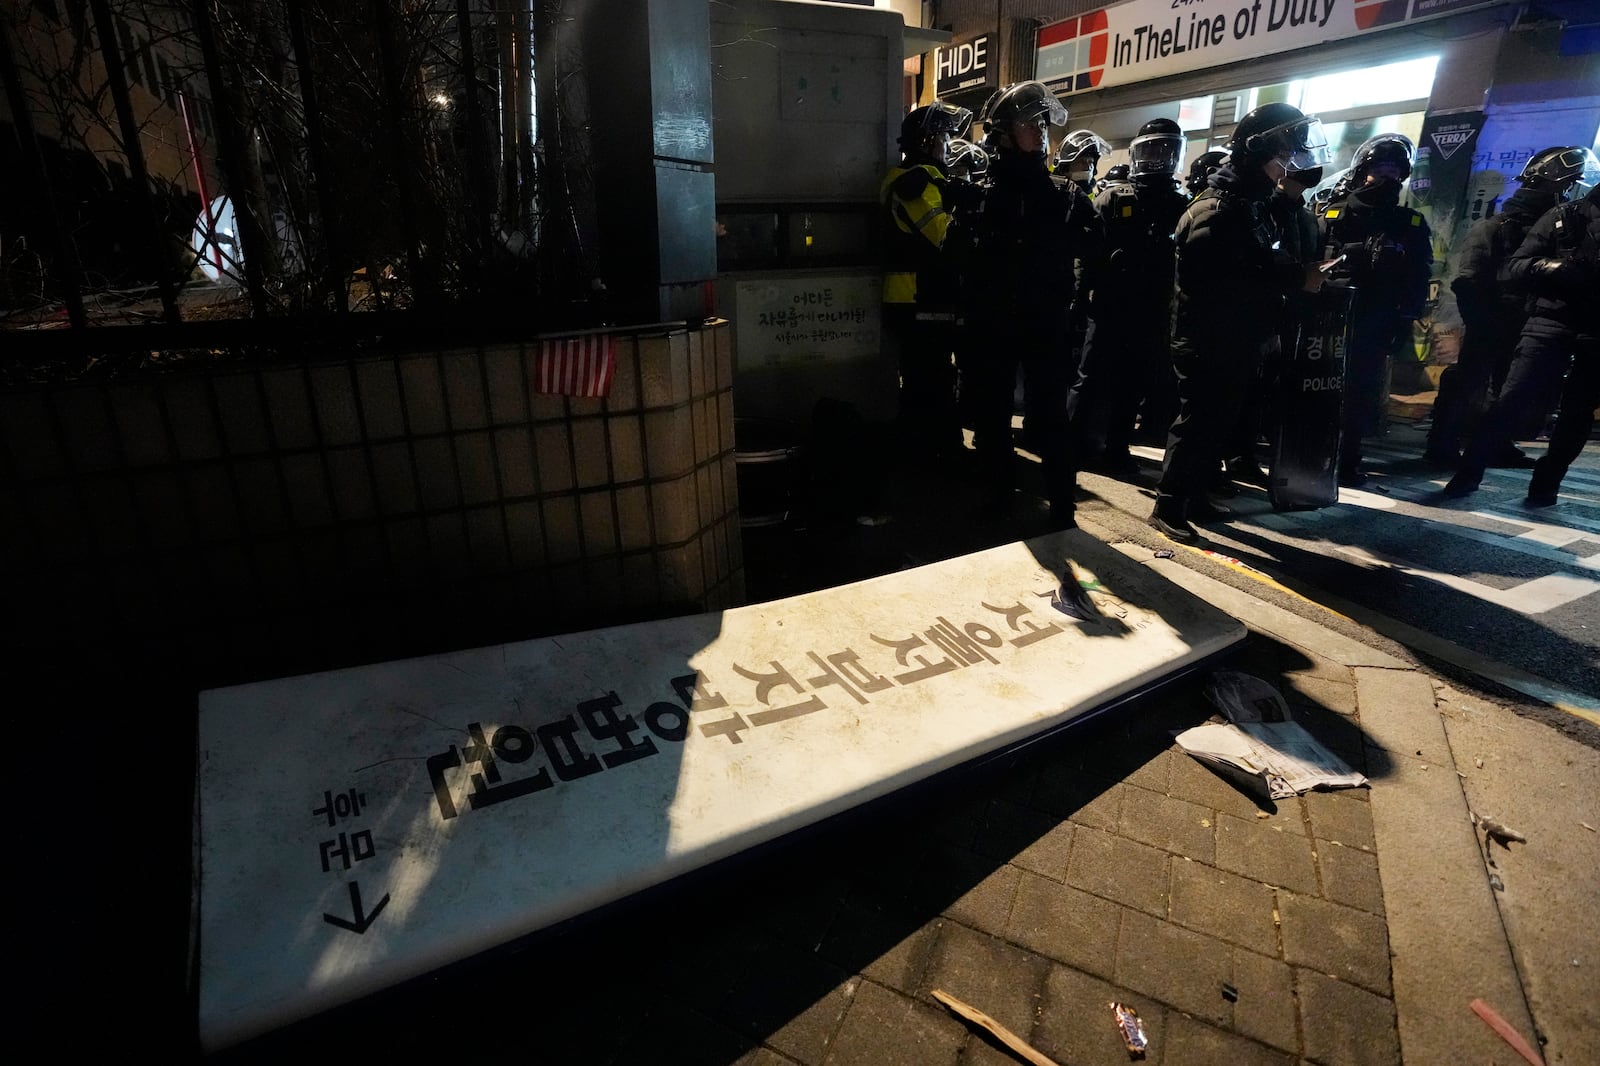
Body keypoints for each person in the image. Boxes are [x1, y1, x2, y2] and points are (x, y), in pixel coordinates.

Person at [1148, 102, 1333, 543]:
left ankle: (1192, 495)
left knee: (1217, 423)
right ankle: (1169, 504)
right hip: (1207, 338)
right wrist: (1291, 277)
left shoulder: (1248, 204)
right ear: (1259, 153)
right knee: (1197, 424)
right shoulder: (1218, 209)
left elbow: (1257, 261)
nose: (1286, 167)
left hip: (1235, 336)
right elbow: (1226, 275)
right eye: (1281, 157)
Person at [963, 81, 1101, 526]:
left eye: (1043, 123)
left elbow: (1097, 248)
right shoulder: (982, 195)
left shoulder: (1064, 194)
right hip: (996, 323)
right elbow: (956, 254)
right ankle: (999, 496)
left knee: (1051, 418)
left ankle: (1062, 505)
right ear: (1003, 133)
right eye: (1030, 124)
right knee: (993, 416)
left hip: (1045, 322)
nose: (1041, 132)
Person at [1426, 146, 1596, 467]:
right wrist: (1484, 324)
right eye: (1568, 184)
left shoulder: (1558, 230)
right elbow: (1469, 281)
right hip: (1493, 322)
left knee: (1510, 393)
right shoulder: (1496, 227)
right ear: (1551, 184)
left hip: (1527, 323)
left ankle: (1497, 445)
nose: (1572, 193)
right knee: (1469, 383)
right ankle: (1443, 446)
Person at [1071, 118, 1191, 478]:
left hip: (1153, 309)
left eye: (1166, 150)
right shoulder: (1113, 198)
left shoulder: (1180, 204)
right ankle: (1072, 445)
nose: (1158, 158)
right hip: (1109, 306)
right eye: (1152, 149)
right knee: (1090, 378)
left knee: (1132, 384)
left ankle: (1117, 449)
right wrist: (1079, 297)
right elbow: (1086, 252)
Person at [1316, 133, 1432, 487]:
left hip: (1376, 320)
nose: (1387, 179)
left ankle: (1348, 459)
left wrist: (1406, 319)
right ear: (1362, 170)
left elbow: (1418, 277)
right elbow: (1310, 264)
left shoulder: (1408, 223)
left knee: (1359, 394)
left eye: (1395, 172)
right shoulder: (1334, 213)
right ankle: (1311, 454)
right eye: (1380, 169)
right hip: (1330, 317)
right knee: (1320, 388)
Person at [880, 101, 973, 464]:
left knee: (925, 377)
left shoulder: (917, 180)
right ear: (925, 142)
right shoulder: (916, 184)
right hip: (919, 299)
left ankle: (925, 450)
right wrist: (967, 217)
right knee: (932, 379)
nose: (946, 147)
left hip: (917, 299)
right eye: (943, 139)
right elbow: (945, 238)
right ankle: (940, 453)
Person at [1053, 128, 1112, 196]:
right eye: (1081, 161)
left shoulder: (1093, 200)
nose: (1087, 167)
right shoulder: (1052, 196)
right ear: (1065, 167)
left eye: (1090, 162)